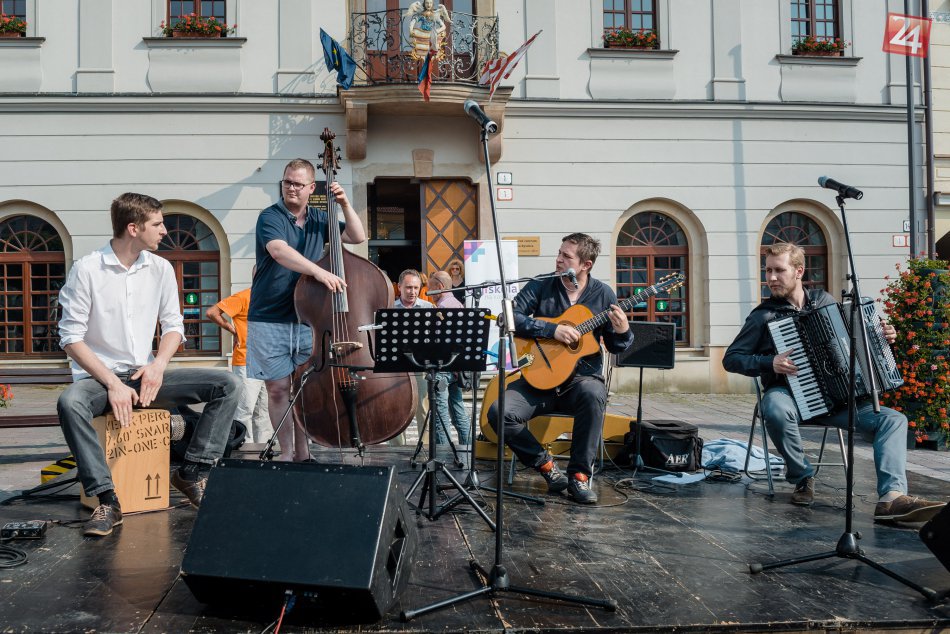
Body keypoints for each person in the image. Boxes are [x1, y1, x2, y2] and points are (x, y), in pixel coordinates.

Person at [56, 193, 241, 537]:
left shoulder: (160, 269)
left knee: (228, 385)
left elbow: (173, 327)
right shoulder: (87, 270)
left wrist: (158, 365)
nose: (165, 231)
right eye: (157, 224)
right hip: (100, 380)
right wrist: (112, 383)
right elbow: (70, 337)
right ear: (133, 228)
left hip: (145, 376)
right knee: (70, 402)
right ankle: (107, 500)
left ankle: (191, 472)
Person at [723, 242, 946, 522]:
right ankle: (802, 476)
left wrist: (883, 335)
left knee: (894, 420)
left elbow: (857, 342)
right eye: (767, 271)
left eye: (778, 270)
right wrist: (770, 362)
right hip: (789, 394)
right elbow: (732, 359)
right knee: (775, 409)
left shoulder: (825, 301)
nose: (771, 278)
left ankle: (892, 498)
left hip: (840, 400)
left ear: (799, 271)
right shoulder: (763, 316)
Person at [487, 233, 633, 504]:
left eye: (566, 256)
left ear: (585, 265)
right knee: (499, 412)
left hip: (580, 381)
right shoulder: (542, 284)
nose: (558, 259)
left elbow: (615, 346)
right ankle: (547, 468)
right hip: (537, 379)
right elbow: (511, 317)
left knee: (593, 394)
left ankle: (579, 477)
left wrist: (623, 331)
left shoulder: (603, 294)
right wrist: (552, 329)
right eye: (559, 253)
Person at [247, 159, 366, 462]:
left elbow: (356, 236)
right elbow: (278, 250)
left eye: (298, 184)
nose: (291, 188)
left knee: (302, 388)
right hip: (269, 317)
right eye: (287, 182)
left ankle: (304, 452)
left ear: (312, 188)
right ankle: (287, 453)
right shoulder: (270, 216)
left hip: (307, 319)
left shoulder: (320, 218)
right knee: (277, 389)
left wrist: (345, 204)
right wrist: (318, 272)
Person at [206, 276, 270, 444]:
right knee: (244, 411)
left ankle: (263, 448)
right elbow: (212, 312)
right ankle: (244, 449)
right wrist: (232, 330)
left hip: (269, 362)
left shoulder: (272, 298)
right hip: (246, 361)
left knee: (264, 412)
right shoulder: (243, 296)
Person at [391, 269, 434, 446]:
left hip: (420, 365)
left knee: (423, 408)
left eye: (416, 287)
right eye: (408, 287)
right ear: (399, 287)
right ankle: (396, 449)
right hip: (396, 366)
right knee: (395, 409)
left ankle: (424, 450)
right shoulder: (390, 308)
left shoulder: (428, 308)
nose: (413, 292)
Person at [427, 270, 470, 446]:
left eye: (430, 288)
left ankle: (443, 455)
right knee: (459, 411)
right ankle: (467, 450)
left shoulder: (443, 308)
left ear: (440, 286)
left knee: (441, 414)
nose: (428, 293)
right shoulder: (458, 304)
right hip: (456, 367)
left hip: (443, 368)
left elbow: (438, 341)